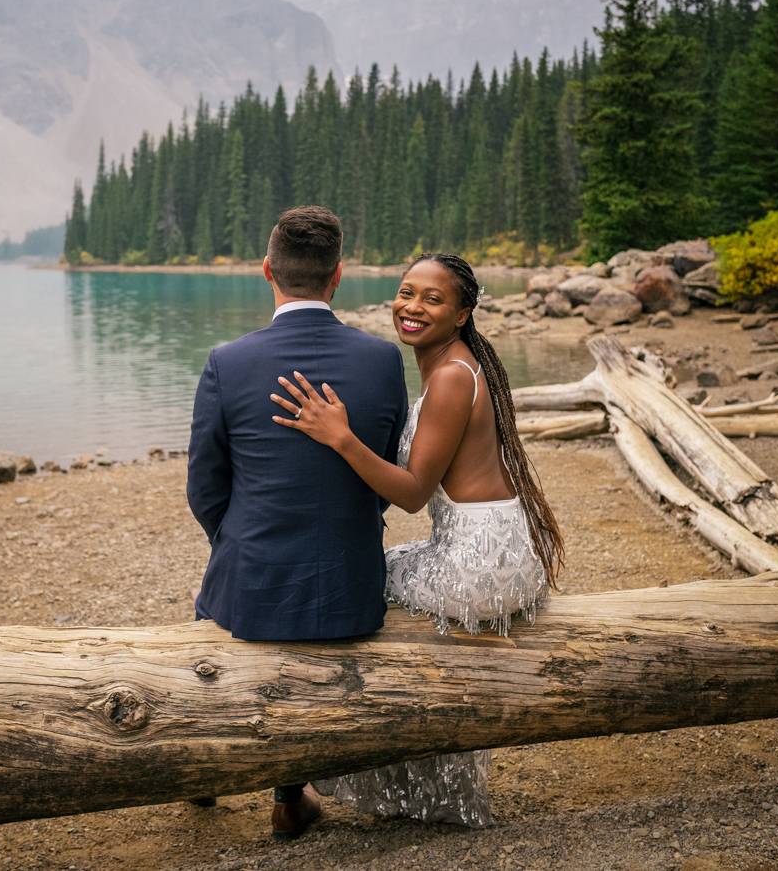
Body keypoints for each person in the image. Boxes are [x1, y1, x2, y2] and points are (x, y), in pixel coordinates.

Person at [269, 252, 563, 826]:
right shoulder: (454, 362)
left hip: (480, 565)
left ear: (462, 314)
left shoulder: (452, 376)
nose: (411, 307)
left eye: (432, 298)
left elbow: (410, 493)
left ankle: (316, 762)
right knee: (376, 575)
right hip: (497, 547)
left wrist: (341, 437)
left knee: (356, 584)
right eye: (406, 293)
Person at [187, 205, 409, 841]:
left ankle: (202, 768)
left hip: (252, 588)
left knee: (208, 613)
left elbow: (205, 487)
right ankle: (290, 795)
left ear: (267, 271)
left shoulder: (227, 363)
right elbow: (385, 476)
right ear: (337, 277)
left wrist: (239, 544)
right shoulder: (381, 361)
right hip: (351, 591)